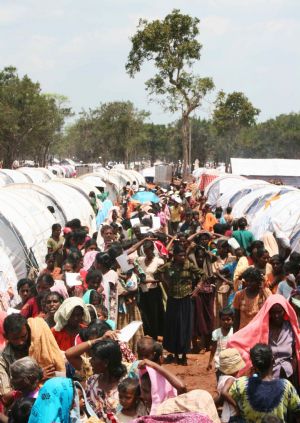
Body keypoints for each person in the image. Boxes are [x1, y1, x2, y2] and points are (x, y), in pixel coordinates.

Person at [228, 294, 300, 387]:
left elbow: (296, 349)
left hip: (289, 375)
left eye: (279, 312)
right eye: (273, 312)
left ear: (285, 311)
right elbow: (235, 341)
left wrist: (293, 366)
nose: (276, 315)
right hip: (267, 376)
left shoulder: (291, 328)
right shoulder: (261, 328)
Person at [155, 243, 203, 365]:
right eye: (180, 255)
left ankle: (184, 355)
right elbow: (157, 273)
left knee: (185, 326)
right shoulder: (168, 266)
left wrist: (197, 289)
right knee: (174, 326)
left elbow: (203, 275)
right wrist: (166, 282)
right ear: (174, 256)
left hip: (186, 299)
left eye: (184, 255)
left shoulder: (188, 265)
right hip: (173, 299)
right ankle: (175, 354)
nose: (183, 257)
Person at [227, 344, 300, 422]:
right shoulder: (286, 386)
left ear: (253, 365)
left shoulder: (240, 384)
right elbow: (298, 410)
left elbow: (225, 396)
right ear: (273, 360)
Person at [0, 314, 65, 395]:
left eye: (23, 336)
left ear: (28, 331)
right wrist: (37, 379)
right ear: (6, 337)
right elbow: (6, 396)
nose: (21, 342)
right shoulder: (3, 359)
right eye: (15, 339)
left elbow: (60, 363)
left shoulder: (40, 343)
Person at [86, 340, 127, 419]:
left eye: (94, 358)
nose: (90, 361)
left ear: (105, 362)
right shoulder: (91, 381)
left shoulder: (125, 387)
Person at [137, 240, 165, 340]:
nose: (146, 253)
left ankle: (154, 335)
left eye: (148, 251)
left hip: (153, 291)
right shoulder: (140, 260)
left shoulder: (158, 261)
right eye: (145, 251)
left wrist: (150, 281)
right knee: (144, 313)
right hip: (142, 290)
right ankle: (146, 333)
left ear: (152, 250)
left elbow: (162, 278)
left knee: (154, 313)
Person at [217, 348, 245, 423]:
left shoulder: (221, 379)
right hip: (233, 415)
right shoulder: (230, 379)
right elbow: (224, 392)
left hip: (226, 415)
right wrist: (236, 407)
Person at [207, 308, 234, 379]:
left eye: (228, 319)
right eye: (223, 319)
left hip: (232, 363)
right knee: (220, 383)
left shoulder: (235, 332)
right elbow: (213, 348)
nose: (225, 321)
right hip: (219, 363)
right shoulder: (216, 333)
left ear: (232, 320)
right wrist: (210, 361)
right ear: (220, 320)